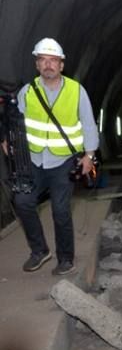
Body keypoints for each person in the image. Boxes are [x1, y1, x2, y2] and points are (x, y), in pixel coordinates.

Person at [12, 37, 98, 275]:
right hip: (34, 161)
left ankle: (66, 259)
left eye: (53, 60)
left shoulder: (76, 91)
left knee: (60, 211)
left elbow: (89, 125)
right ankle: (40, 251)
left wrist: (89, 156)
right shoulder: (27, 92)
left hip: (63, 161)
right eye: (43, 60)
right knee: (22, 202)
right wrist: (8, 141)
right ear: (37, 65)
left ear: (61, 65)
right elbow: (16, 124)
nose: (48, 64)